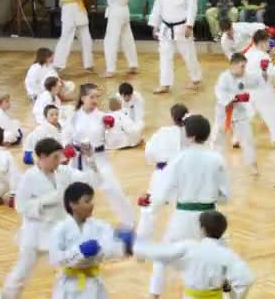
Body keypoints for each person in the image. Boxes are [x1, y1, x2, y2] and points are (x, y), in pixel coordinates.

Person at [141, 115, 231, 299]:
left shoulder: (178, 159)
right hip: (210, 217)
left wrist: (151, 209)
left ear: (189, 136)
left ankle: (154, 295)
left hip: (182, 217)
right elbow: (226, 197)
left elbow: (162, 192)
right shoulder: (217, 159)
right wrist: (208, 195)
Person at [0, 138, 97, 298]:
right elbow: (21, 206)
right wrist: (48, 200)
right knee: (21, 273)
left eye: (60, 157)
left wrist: (90, 159)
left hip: (59, 232)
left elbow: (90, 181)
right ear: (42, 156)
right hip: (35, 234)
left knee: (74, 268)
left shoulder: (64, 172)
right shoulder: (30, 177)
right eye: (55, 158)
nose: (59, 161)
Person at [134, 211, 253, 299]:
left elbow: (161, 253)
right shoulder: (227, 255)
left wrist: (136, 246)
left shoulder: (189, 247)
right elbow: (247, 279)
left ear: (202, 229)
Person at [49, 182, 134, 298]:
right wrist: (79, 252)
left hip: (94, 286)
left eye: (92, 201)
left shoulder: (100, 226)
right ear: (73, 204)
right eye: (87, 201)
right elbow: (55, 259)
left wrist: (125, 246)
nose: (92, 205)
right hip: (69, 288)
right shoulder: (60, 229)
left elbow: (108, 248)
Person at [68, 83, 135, 228]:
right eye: (91, 97)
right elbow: (67, 137)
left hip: (99, 158)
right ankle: (75, 224)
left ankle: (128, 221)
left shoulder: (103, 117)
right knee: (75, 195)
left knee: (113, 188)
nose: (94, 100)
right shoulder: (74, 116)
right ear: (83, 97)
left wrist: (109, 129)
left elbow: (114, 141)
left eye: (97, 97)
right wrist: (67, 150)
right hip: (79, 160)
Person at [149, 0, 203, 94]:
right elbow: (157, 6)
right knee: (165, 56)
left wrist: (190, 25)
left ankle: (195, 80)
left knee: (188, 54)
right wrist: (155, 24)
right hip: (166, 27)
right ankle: (165, 84)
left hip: (182, 26)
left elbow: (192, 7)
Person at [137, 104, 189, 239]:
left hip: (162, 173)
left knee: (150, 209)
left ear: (172, 117)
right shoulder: (190, 134)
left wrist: (155, 160)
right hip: (182, 177)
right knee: (180, 210)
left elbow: (149, 152)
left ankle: (142, 240)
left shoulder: (163, 132)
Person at [212, 53, 260, 175]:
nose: (244, 69)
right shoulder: (224, 77)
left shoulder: (245, 76)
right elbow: (220, 94)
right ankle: (215, 165)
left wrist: (264, 71)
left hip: (240, 113)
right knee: (218, 139)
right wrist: (236, 98)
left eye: (245, 66)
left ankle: (253, 165)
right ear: (233, 65)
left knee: (248, 139)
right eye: (242, 66)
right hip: (223, 113)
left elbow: (257, 81)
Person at [52, 0, 102, 71]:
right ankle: (58, 65)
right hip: (69, 11)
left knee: (86, 39)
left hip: (78, 10)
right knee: (66, 38)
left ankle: (88, 64)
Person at [245, 29, 275, 147]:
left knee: (246, 115)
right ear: (262, 42)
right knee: (274, 115)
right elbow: (270, 73)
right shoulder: (263, 56)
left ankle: (238, 138)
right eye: (268, 41)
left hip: (248, 90)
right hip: (263, 91)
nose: (270, 43)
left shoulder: (248, 53)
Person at [97, 0, 138, 78]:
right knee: (127, 38)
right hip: (123, 10)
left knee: (110, 40)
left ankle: (110, 69)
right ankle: (133, 64)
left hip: (116, 11)